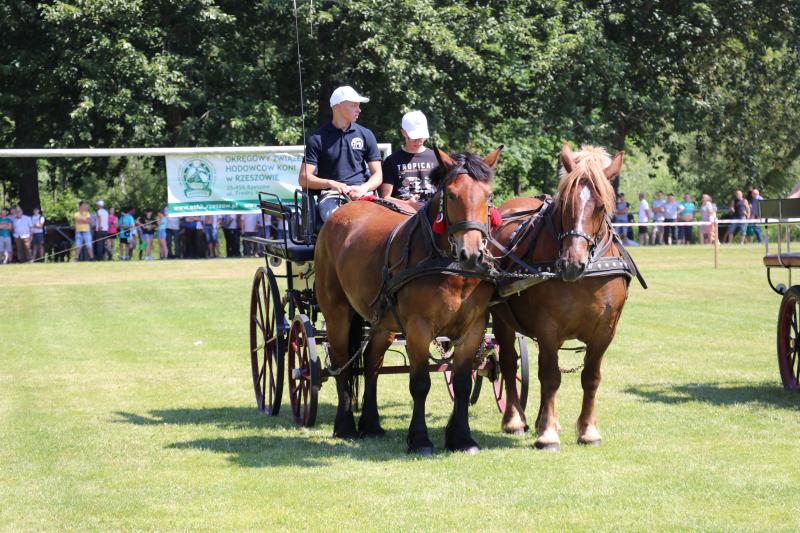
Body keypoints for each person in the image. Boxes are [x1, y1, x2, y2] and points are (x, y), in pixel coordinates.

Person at [298, 85, 383, 222]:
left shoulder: (366, 134)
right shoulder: (317, 138)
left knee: (380, 223)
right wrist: (331, 183)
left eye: (359, 105)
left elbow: (378, 175)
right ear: (338, 106)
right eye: (354, 105)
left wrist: (363, 188)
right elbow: (303, 178)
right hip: (332, 196)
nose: (359, 110)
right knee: (341, 223)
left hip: (363, 193)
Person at [378, 110, 438, 204]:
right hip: (402, 211)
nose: (419, 141)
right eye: (414, 138)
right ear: (403, 132)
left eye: (422, 137)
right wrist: (407, 204)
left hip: (433, 211)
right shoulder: (391, 161)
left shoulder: (437, 158)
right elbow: (385, 197)